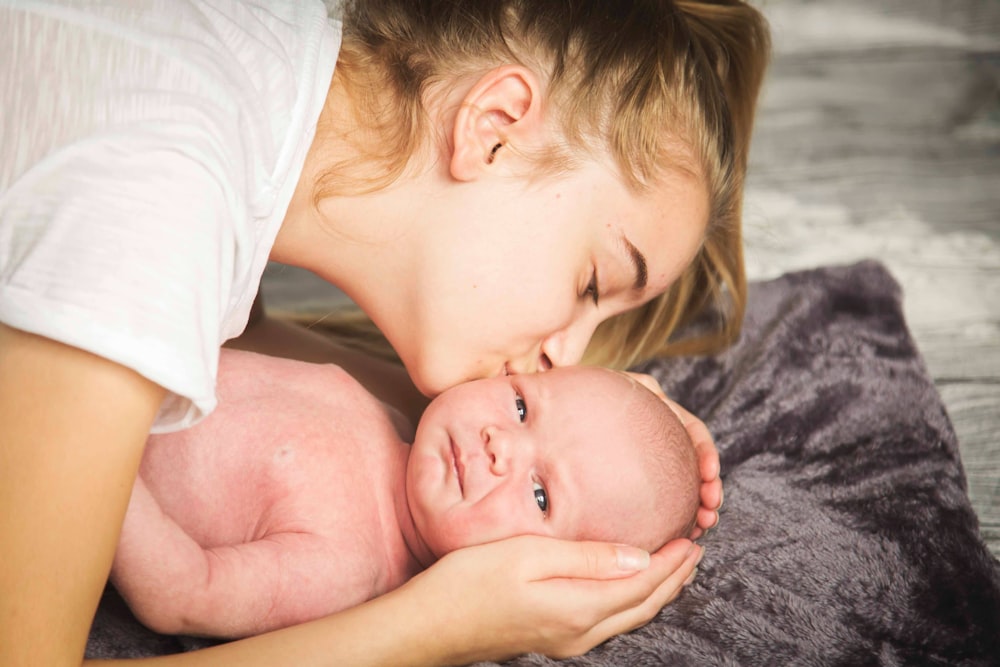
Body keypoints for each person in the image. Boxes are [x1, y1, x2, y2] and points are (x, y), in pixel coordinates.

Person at [0, 1, 770, 664]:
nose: (564, 353)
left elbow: (229, 359)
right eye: (592, 284)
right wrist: (438, 625)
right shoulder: (158, 201)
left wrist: (590, 421)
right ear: (495, 128)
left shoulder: (242, 85)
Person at [111, 349, 700, 640]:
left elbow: (182, 591)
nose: (501, 445)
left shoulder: (346, 564)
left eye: (541, 494)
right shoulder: (388, 412)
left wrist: (84, 435)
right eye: (521, 407)